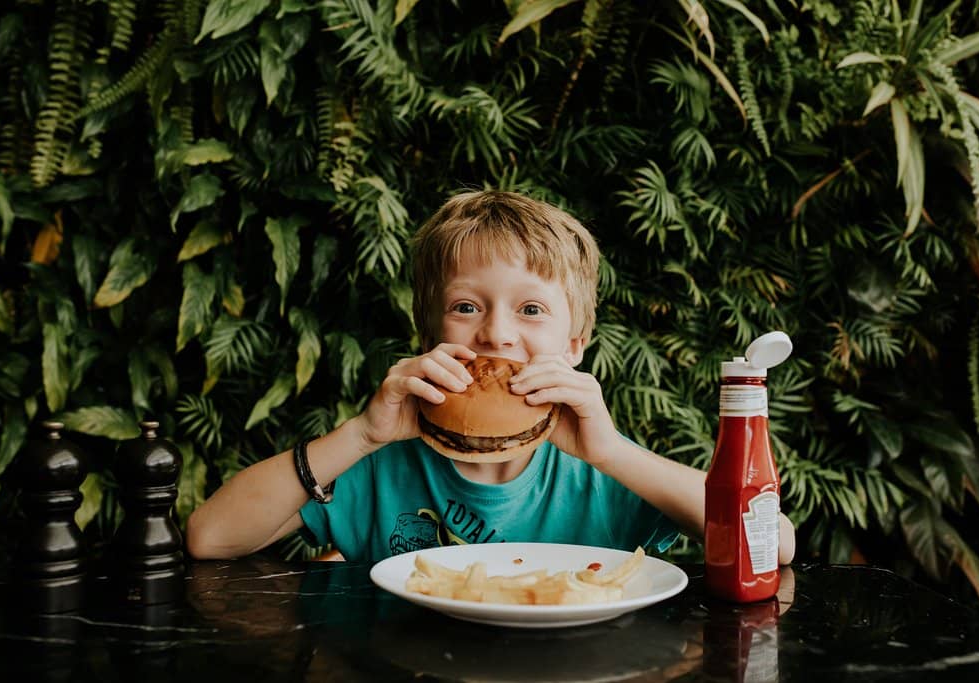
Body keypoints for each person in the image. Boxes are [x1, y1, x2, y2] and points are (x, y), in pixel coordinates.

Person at [186, 190, 796, 564]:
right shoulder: (377, 461)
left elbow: (775, 544)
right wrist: (360, 435)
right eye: (465, 306)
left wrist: (613, 453)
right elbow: (209, 538)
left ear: (575, 344)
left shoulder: (602, 470)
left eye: (530, 309)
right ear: (430, 336)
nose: (497, 334)